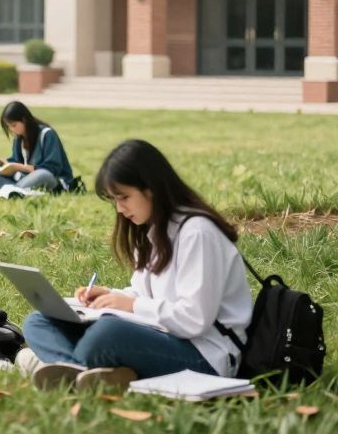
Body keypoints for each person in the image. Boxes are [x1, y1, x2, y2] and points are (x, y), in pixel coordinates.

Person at [17, 139, 253, 390]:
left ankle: (50, 365)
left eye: (124, 197)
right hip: (161, 336)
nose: (120, 209)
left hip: (206, 355)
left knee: (106, 335)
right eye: (114, 200)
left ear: (151, 187)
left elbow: (194, 319)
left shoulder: (198, 233)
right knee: (39, 321)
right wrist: (111, 296)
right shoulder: (152, 230)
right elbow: (143, 293)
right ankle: (85, 372)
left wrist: (131, 305)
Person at [0, 101, 79, 192]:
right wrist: (2, 164)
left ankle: (12, 189)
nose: (11, 129)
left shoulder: (47, 134)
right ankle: (13, 189)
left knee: (42, 174)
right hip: (25, 178)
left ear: (24, 120)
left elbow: (52, 169)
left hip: (52, 179)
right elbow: (15, 162)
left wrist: (21, 167)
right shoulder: (19, 138)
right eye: (9, 126)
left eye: (14, 125)